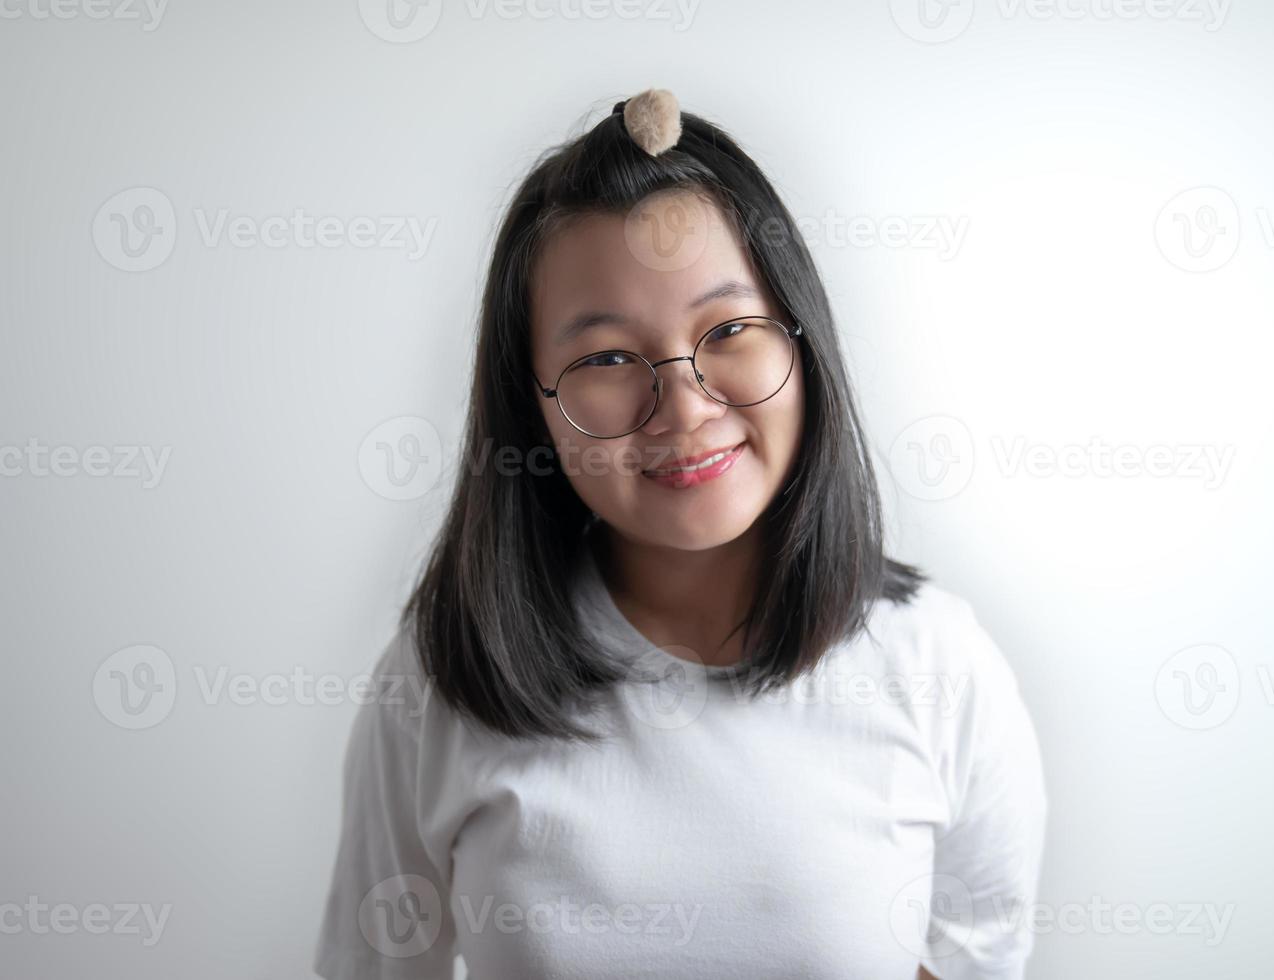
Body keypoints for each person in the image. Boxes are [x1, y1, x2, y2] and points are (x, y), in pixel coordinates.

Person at [313, 88, 1048, 980]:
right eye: (608, 359)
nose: (685, 406)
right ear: (532, 401)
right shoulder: (442, 680)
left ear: (801, 341)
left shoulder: (941, 666)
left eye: (731, 329)